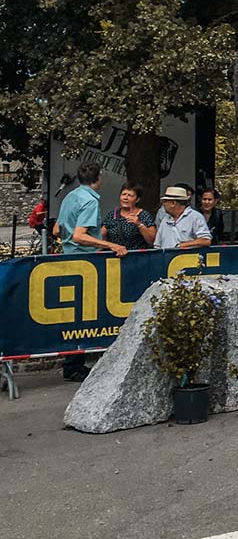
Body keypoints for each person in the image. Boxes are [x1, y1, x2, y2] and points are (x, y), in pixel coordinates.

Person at [56, 163, 127, 381]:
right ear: (99, 177)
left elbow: (57, 229)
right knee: (85, 313)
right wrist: (110, 245)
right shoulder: (90, 200)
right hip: (84, 261)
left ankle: (72, 363)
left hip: (68, 258)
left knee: (72, 314)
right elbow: (79, 235)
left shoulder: (70, 196)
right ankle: (75, 366)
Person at [154, 185, 212, 250]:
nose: (163, 204)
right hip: (165, 259)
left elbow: (206, 240)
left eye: (165, 201)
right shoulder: (165, 220)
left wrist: (181, 246)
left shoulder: (195, 217)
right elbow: (157, 245)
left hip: (188, 259)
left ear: (173, 203)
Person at [101, 184, 156, 251]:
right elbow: (101, 237)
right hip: (116, 257)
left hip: (137, 257)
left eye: (130, 195)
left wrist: (139, 225)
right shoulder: (112, 215)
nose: (125, 198)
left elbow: (152, 241)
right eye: (123, 194)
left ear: (137, 200)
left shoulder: (144, 215)